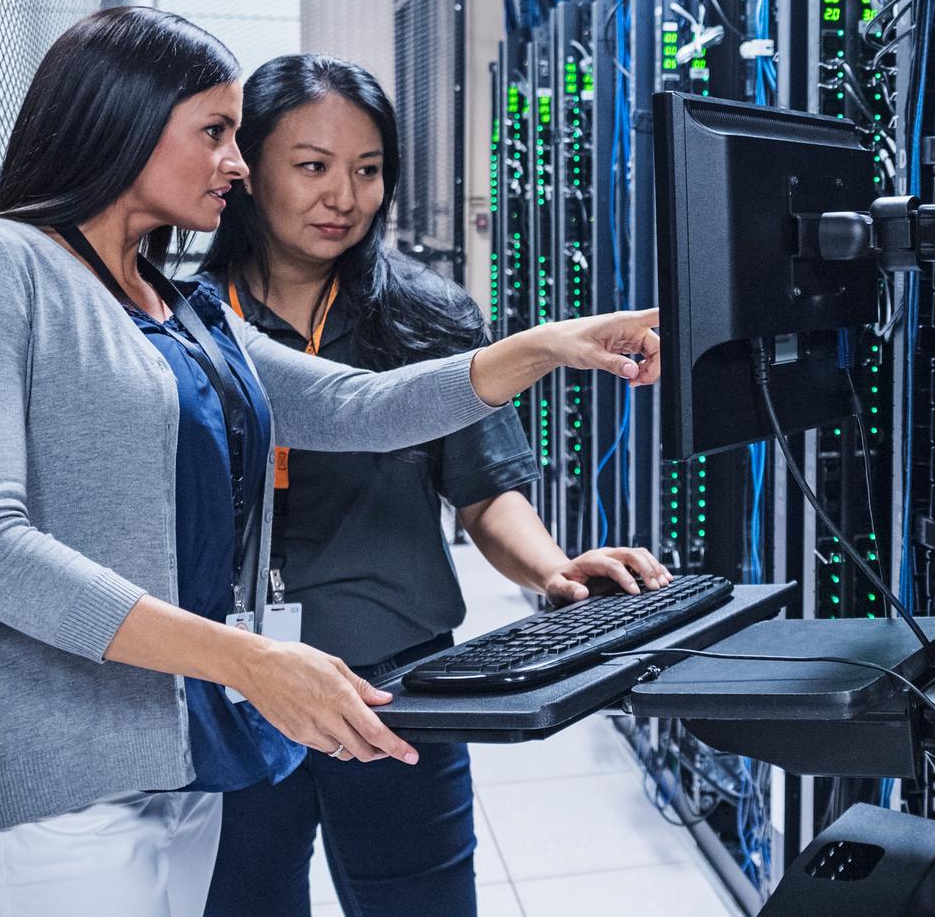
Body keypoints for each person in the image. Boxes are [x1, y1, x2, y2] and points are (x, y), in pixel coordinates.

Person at [0, 7, 660, 917]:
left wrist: (546, 346)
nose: (236, 161)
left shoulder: (172, 307)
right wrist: (247, 660)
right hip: (50, 782)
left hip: (180, 761)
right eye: (215, 133)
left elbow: (354, 404)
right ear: (122, 122)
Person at [195, 53, 671, 916]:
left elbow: (485, 492)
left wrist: (552, 570)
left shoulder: (428, 317)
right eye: (313, 167)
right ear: (247, 166)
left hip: (401, 685)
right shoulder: (186, 321)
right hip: (236, 685)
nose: (344, 196)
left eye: (368, 170)